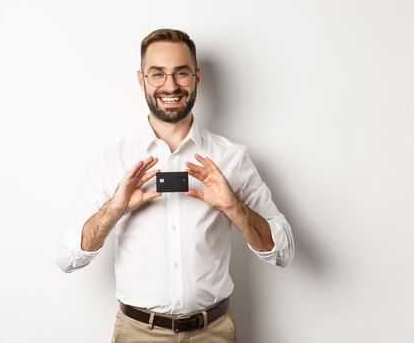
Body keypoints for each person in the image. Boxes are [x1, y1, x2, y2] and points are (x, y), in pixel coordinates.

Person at [55, 28, 294, 343]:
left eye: (181, 73)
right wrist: (114, 209)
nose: (170, 86)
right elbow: (67, 258)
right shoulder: (111, 162)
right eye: (157, 74)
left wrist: (232, 207)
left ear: (197, 76)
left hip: (214, 333)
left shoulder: (231, 158)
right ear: (141, 80)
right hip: (138, 334)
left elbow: (282, 252)